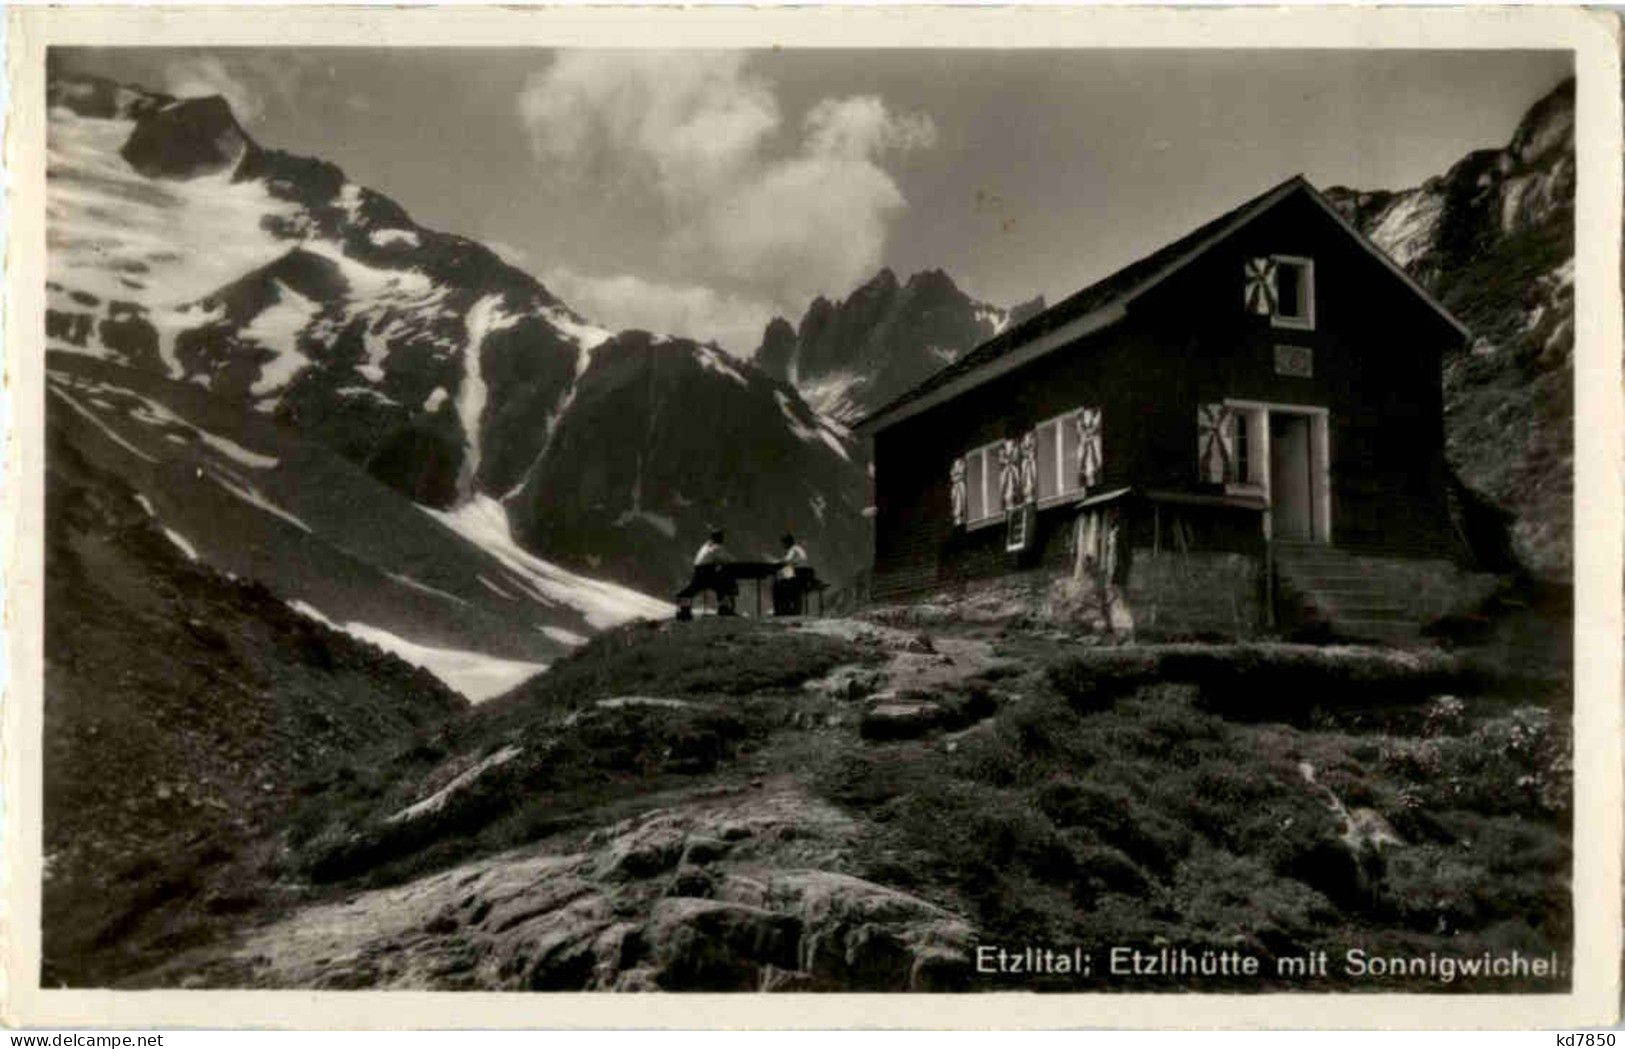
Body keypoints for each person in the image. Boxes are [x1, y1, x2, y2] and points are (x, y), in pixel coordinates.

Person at [675, 529, 737, 620]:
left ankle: (684, 610)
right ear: (718, 538)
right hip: (707, 571)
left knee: (690, 591)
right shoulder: (716, 547)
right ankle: (724, 609)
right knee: (725, 586)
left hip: (698, 571)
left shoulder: (705, 546)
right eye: (721, 537)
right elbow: (726, 560)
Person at [772, 533, 809, 616]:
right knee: (780, 578)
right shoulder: (799, 548)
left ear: (787, 543)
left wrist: (776, 561)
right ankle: (786, 608)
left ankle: (779, 611)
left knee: (777, 584)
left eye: (783, 543)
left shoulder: (793, 549)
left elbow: (786, 561)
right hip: (802, 575)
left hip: (797, 576)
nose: (782, 546)